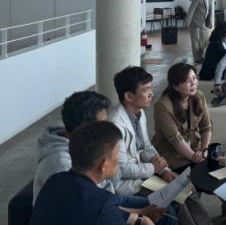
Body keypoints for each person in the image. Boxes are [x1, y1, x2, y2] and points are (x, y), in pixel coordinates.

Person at [30, 121, 157, 225]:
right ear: (103, 165)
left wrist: (140, 218)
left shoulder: (55, 180)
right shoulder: (101, 203)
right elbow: (101, 211)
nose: (118, 162)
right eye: (116, 158)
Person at [33, 91, 113, 203]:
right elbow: (85, 206)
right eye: (101, 126)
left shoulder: (84, 145)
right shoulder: (62, 166)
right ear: (83, 130)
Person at [110, 66, 177, 196]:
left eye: (150, 88)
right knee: (173, 197)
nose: (151, 94)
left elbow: (145, 147)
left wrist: (164, 170)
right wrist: (153, 168)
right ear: (129, 96)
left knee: (183, 191)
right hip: (125, 184)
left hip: (142, 173)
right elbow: (121, 169)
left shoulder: (139, 112)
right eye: (146, 90)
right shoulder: (115, 125)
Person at [153, 62, 212, 171]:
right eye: (187, 81)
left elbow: (206, 127)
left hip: (196, 150)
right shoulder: (162, 106)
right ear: (175, 86)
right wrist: (194, 157)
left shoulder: (199, 96)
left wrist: (204, 151)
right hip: (174, 156)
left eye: (194, 78)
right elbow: (175, 139)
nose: (193, 83)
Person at [186, 0, 215, 64]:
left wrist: (210, 22)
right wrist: (188, 22)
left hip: (204, 23)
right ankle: (197, 58)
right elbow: (192, 9)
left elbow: (210, 11)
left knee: (204, 40)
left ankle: (202, 56)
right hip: (195, 23)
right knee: (195, 41)